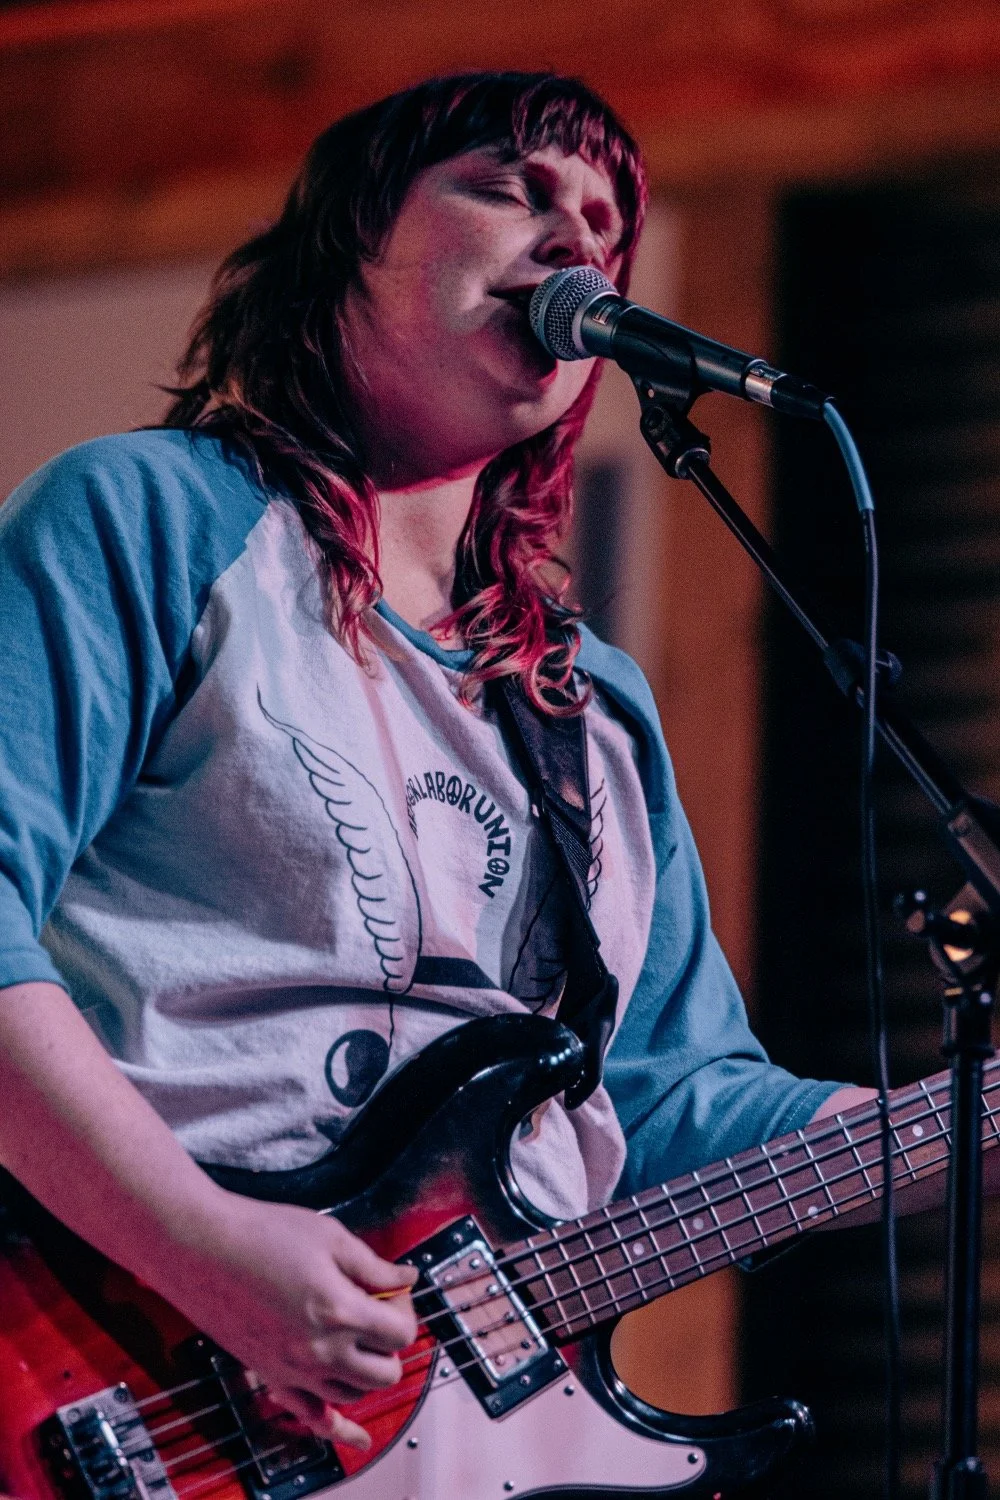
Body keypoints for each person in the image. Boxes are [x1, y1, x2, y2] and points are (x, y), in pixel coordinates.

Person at [0, 72, 871, 1455]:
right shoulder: (152, 521)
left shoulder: (592, 709)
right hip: (114, 1379)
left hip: (470, 1438)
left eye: (604, 225)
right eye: (511, 188)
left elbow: (664, 1099)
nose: (575, 240)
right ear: (353, 237)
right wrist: (200, 1244)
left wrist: (947, 1125)